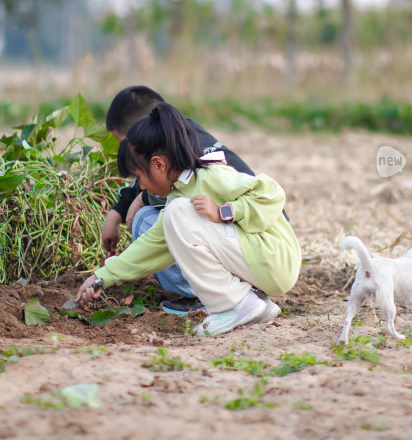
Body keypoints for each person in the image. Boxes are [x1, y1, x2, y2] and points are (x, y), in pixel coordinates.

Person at [77, 103, 301, 336]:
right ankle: (250, 303)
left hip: (275, 258)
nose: (140, 186)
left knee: (176, 211)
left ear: (158, 164)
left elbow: (272, 192)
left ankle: (235, 305)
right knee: (174, 214)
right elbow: (150, 247)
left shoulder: (209, 176)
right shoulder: (180, 192)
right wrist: (101, 276)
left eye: (139, 177)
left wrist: (224, 211)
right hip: (263, 264)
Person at [101, 85, 259, 315]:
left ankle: (211, 294)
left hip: (245, 244)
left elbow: (187, 191)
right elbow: (152, 182)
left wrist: (143, 199)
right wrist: (117, 213)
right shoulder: (182, 137)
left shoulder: (192, 151)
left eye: (124, 141)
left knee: (148, 221)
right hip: (245, 243)